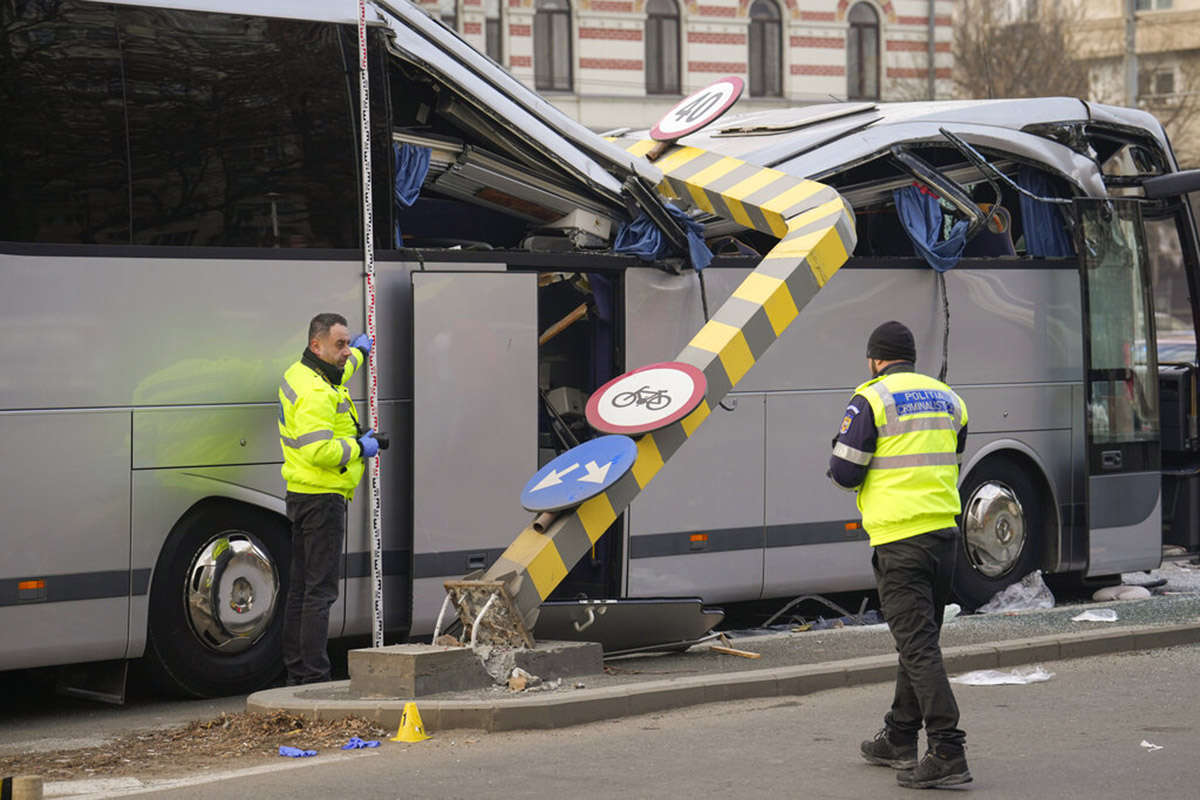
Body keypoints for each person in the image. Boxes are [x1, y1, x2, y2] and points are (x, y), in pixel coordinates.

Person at [828, 320, 971, 789]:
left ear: (875, 358)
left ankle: (948, 749)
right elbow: (953, 454)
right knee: (920, 640)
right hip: (946, 539)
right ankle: (899, 736)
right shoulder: (949, 398)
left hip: (900, 541)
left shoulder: (870, 398)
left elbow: (845, 472)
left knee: (917, 645)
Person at [277, 313, 379, 685]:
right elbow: (320, 450)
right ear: (316, 345)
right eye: (340, 344)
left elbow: (340, 369)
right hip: (323, 498)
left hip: (302, 494)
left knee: (301, 590)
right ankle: (315, 678)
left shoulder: (302, 373)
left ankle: (297, 672)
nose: (345, 352)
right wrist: (360, 446)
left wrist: (358, 354)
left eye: (347, 343)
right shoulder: (316, 391)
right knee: (320, 593)